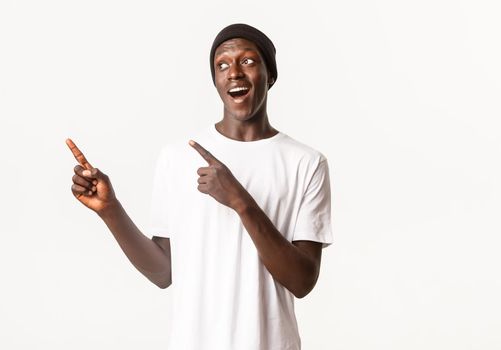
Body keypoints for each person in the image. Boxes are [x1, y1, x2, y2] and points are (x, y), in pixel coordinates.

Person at [67, 23, 333, 350]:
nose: (233, 72)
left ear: (270, 75)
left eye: (248, 61)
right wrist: (110, 211)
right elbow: (163, 271)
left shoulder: (305, 162)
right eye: (222, 65)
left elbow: (302, 281)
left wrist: (240, 201)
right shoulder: (177, 157)